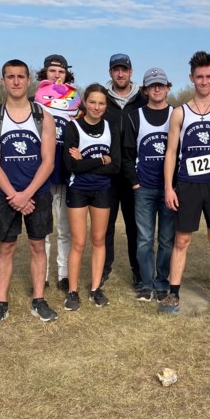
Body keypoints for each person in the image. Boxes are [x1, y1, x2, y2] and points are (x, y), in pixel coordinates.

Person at [158, 51, 210, 316]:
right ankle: (173, 294)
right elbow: (170, 152)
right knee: (181, 240)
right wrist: (169, 187)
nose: (204, 81)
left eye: (208, 76)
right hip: (187, 185)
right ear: (191, 78)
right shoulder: (179, 113)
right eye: (199, 77)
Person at [0, 59, 58, 328]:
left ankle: (39, 299)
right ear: (3, 80)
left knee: (38, 245)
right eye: (10, 76)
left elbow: (48, 161)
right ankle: (1, 304)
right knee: (6, 247)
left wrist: (27, 194)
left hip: (38, 194)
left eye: (20, 76)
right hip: (6, 195)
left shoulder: (43, 116)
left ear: (29, 81)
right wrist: (15, 195)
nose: (15, 81)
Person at [62, 83, 121, 310]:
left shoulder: (110, 128)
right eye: (93, 102)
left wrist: (84, 162)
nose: (96, 107)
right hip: (78, 190)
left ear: (106, 105)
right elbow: (70, 165)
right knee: (78, 242)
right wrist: (100, 160)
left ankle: (96, 288)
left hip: (102, 191)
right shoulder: (73, 128)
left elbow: (114, 167)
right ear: (85, 103)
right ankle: (73, 291)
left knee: (99, 240)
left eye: (101, 103)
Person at [122, 68, 176, 308]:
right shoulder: (135, 116)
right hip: (143, 189)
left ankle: (162, 282)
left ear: (167, 88)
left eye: (161, 85)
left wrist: (175, 185)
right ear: (144, 90)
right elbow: (126, 154)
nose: (157, 89)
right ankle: (146, 283)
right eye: (152, 85)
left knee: (166, 240)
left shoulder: (178, 115)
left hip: (169, 189)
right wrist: (135, 182)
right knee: (144, 239)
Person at [102, 53, 147, 290]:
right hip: (107, 175)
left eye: (125, 69)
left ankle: (138, 272)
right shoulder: (101, 99)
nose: (120, 74)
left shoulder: (142, 99)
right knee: (105, 227)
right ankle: (104, 269)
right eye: (116, 69)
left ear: (131, 72)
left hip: (133, 175)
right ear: (110, 72)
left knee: (134, 227)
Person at [36, 54, 78, 293]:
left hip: (65, 172)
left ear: (66, 74)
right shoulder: (36, 102)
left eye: (60, 71)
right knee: (43, 228)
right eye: (52, 71)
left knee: (64, 227)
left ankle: (63, 274)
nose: (56, 75)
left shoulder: (74, 102)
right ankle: (42, 275)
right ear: (45, 74)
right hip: (43, 172)